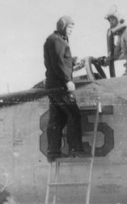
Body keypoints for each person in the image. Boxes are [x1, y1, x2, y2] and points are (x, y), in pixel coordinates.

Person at [43, 15, 87, 162]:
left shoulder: (55, 39)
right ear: (62, 26)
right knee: (73, 114)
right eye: (69, 27)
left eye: (72, 28)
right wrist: (67, 80)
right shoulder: (57, 40)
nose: (71, 31)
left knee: (58, 118)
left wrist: (73, 62)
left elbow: (61, 61)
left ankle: (53, 152)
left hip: (53, 85)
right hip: (60, 85)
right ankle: (76, 148)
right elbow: (58, 63)